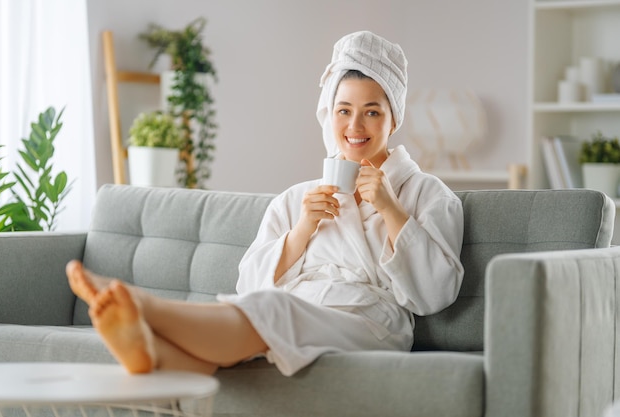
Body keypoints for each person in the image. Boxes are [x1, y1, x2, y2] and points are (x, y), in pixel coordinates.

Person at [66, 30, 464, 377]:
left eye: (371, 112)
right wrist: (303, 229)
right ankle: (150, 354)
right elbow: (249, 283)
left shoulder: (427, 194)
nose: (354, 127)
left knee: (275, 311)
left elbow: (434, 295)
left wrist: (392, 209)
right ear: (329, 115)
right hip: (296, 307)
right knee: (256, 319)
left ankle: (145, 308)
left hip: (370, 324)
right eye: (344, 110)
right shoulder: (298, 199)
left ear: (392, 120)